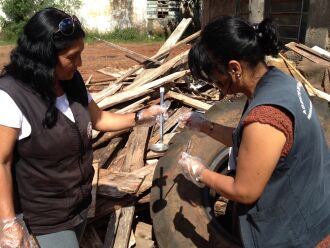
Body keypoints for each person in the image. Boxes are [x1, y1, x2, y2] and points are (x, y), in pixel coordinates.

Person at [0, 7, 167, 248]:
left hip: (77, 208)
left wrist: (141, 116)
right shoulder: (11, 96)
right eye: (71, 57)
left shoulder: (70, 82)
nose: (79, 63)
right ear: (44, 55)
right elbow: (2, 162)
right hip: (44, 219)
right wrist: (8, 222)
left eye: (81, 53)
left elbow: (99, 119)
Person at [178, 16, 330, 247]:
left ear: (234, 68)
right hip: (313, 205)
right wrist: (204, 125)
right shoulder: (279, 82)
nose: (215, 86)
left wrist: (200, 172)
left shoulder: (265, 117)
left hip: (297, 235)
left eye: (215, 78)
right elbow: (252, 146)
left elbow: (244, 192)